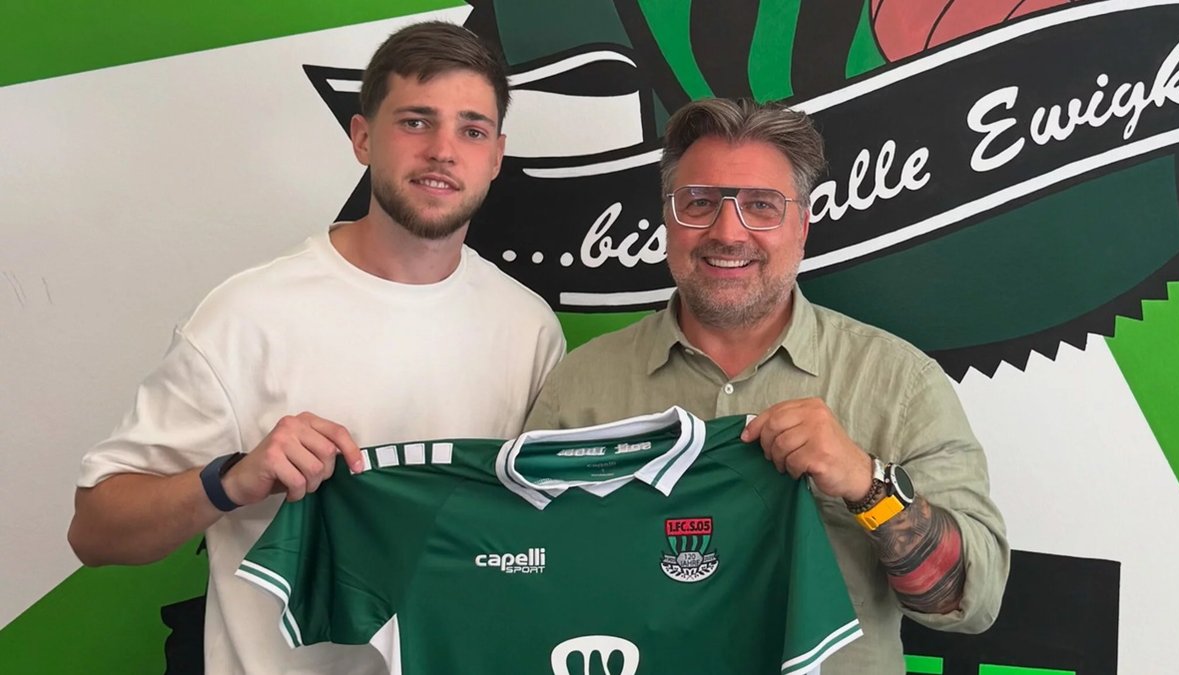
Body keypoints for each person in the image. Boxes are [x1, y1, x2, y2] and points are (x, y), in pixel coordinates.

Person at [68, 21, 564, 675]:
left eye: (471, 130)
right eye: (415, 122)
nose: (443, 151)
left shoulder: (530, 328)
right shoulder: (247, 316)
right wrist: (231, 479)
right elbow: (95, 530)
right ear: (362, 137)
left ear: (496, 155)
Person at [524, 97, 1008, 674]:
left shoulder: (901, 384)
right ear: (668, 220)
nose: (728, 232)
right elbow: (524, 575)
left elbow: (970, 600)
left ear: (802, 226)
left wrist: (866, 483)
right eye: (699, 202)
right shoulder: (580, 387)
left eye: (761, 205)